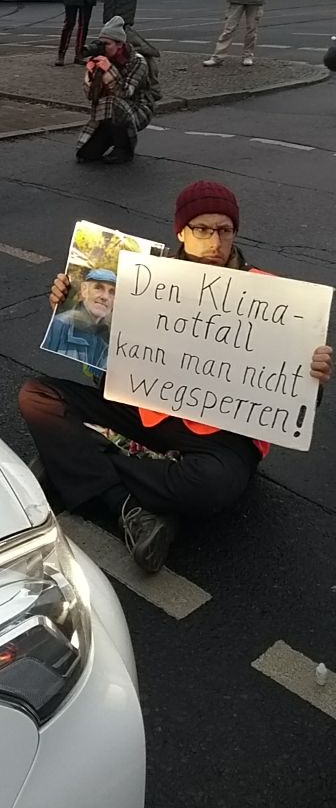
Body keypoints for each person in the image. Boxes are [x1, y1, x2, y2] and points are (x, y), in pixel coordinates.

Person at [19, 180, 332, 575]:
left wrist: (312, 378)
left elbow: (292, 404)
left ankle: (75, 467)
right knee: (36, 396)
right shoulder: (145, 276)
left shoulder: (274, 296)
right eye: (202, 229)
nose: (215, 241)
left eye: (224, 230)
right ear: (181, 231)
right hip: (146, 408)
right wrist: (69, 304)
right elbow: (101, 357)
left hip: (219, 435)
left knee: (212, 487)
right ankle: (129, 502)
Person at [76, 16, 156, 164]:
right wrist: (91, 76)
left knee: (112, 102)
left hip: (138, 108)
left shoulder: (137, 61)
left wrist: (109, 70)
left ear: (119, 44)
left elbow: (125, 92)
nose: (103, 47)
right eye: (101, 43)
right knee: (86, 154)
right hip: (108, 113)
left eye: (107, 44)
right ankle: (111, 135)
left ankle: (124, 149)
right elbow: (91, 97)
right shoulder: (101, 59)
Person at [42, 268, 116, 371]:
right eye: (98, 288)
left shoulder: (112, 337)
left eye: (112, 292)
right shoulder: (61, 325)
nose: (105, 297)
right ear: (84, 290)